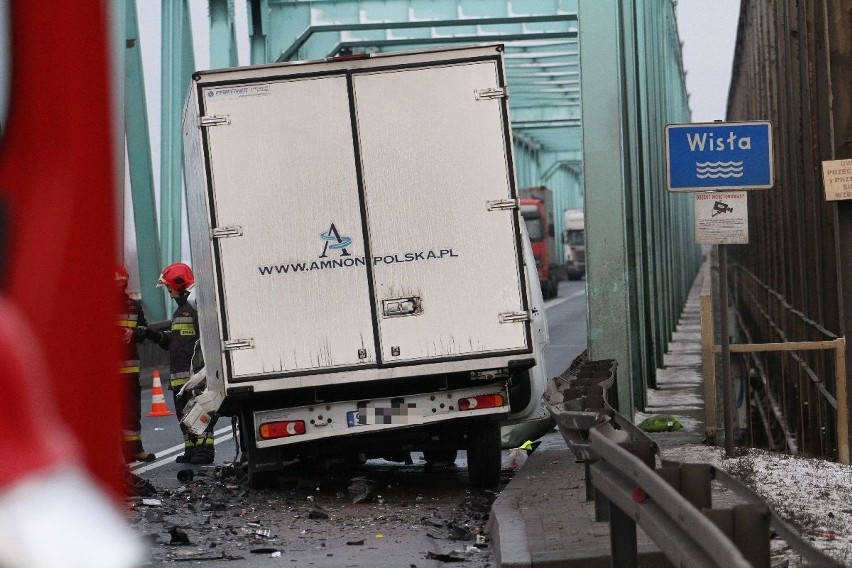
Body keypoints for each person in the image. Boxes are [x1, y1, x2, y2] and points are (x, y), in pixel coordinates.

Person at [146, 262, 214, 464]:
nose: (169, 292)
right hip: (179, 378)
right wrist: (152, 335)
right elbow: (175, 343)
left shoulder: (195, 309)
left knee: (199, 414)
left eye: (169, 287)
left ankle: (205, 450)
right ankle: (191, 450)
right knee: (184, 418)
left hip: (193, 376)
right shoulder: (180, 312)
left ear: (179, 284)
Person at [116, 264, 156, 463]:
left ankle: (134, 449)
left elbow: (144, 328)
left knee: (132, 411)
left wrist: (135, 332)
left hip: (130, 369)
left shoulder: (133, 306)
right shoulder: (97, 305)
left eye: (120, 283)